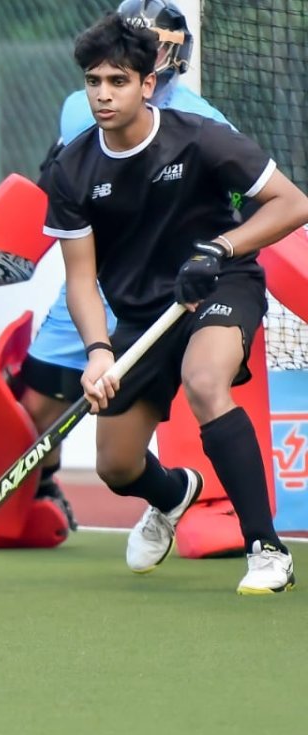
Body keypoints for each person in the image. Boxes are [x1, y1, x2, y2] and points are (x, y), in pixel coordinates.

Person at [42, 13, 308, 592]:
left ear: (147, 83)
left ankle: (266, 548)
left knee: (204, 381)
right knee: (116, 465)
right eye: (94, 81)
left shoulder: (199, 137)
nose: (103, 94)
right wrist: (97, 351)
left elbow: (292, 203)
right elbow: (81, 278)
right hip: (143, 314)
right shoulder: (72, 171)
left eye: (118, 81)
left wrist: (220, 248)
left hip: (219, 284)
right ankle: (173, 494)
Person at [21, 0, 225, 530]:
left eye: (151, 49)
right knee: (35, 405)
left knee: (179, 401)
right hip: (95, 280)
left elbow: (243, 205)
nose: (107, 88)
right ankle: (44, 493)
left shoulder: (203, 121)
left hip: (164, 292)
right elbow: (57, 182)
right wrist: (14, 248)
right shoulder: (80, 106)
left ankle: (207, 501)